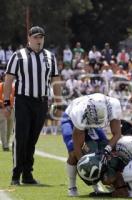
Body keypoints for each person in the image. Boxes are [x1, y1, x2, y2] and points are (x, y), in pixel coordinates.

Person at [4, 26, 61, 185]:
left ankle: (27, 174)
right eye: (36, 37)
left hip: (41, 101)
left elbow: (55, 80)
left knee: (32, 139)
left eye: (41, 37)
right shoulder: (18, 56)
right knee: (21, 137)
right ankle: (16, 174)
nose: (39, 40)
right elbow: (9, 79)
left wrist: (58, 101)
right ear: (29, 38)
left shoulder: (50, 57)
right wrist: (7, 101)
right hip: (23, 100)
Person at [61, 93, 123, 196]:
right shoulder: (79, 113)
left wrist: (107, 149)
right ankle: (72, 186)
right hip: (70, 119)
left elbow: (117, 134)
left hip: (91, 119)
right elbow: (77, 147)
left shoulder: (113, 105)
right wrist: (86, 167)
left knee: (102, 147)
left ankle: (102, 183)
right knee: (73, 153)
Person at [0, 80, 14, 151]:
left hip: (11, 109)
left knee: (10, 128)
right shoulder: (0, 86)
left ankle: (7, 143)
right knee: (4, 128)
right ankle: (5, 145)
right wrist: (4, 104)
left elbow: (13, 98)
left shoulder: (12, 87)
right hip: (2, 109)